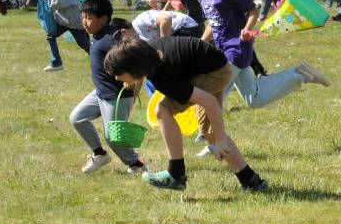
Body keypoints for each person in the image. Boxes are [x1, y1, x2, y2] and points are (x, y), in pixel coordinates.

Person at [104, 35, 269, 192]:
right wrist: (132, 82)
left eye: (119, 75)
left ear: (133, 68)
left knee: (162, 110)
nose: (117, 79)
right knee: (209, 131)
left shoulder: (163, 75)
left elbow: (209, 102)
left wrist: (221, 139)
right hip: (213, 65)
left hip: (213, 73)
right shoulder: (147, 52)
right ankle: (251, 181)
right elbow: (141, 70)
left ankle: (176, 174)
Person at [193, 0, 329, 113]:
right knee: (254, 99)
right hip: (221, 50)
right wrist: (200, 43)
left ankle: (210, 136)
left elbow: (253, 10)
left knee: (213, 93)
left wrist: (247, 29)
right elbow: (214, 22)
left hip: (236, 49)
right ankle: (299, 73)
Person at [69, 0, 147, 175]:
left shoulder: (110, 39)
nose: (84, 22)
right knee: (77, 118)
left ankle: (137, 165)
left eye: (89, 18)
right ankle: (100, 154)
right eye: (83, 17)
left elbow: (132, 60)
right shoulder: (98, 34)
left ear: (103, 19)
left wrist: (132, 80)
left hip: (116, 96)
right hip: (101, 93)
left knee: (113, 135)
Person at [39, 0, 90, 72]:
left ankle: (104, 60)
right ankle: (56, 63)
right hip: (64, 20)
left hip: (73, 20)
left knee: (85, 45)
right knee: (51, 35)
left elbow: (57, 3)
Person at [128, 9, 200, 41]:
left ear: (123, 32)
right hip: (180, 32)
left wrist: (164, 44)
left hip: (186, 28)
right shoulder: (138, 34)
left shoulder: (140, 21)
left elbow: (165, 19)